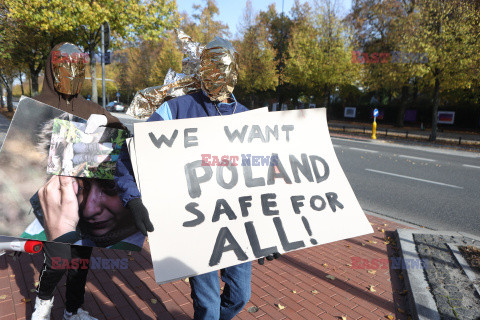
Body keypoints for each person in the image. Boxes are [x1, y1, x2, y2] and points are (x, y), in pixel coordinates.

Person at [115, 37, 255, 320]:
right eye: (212, 68)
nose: (219, 76)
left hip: (236, 223)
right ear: (202, 70)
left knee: (240, 295)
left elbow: (266, 173)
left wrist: (270, 233)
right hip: (195, 224)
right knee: (208, 307)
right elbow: (132, 154)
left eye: (225, 68)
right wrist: (134, 200)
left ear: (236, 72)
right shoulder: (176, 110)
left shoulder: (248, 119)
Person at [28, 42, 127, 320]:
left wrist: (116, 128)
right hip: (56, 199)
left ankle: (73, 310)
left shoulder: (90, 107)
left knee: (81, 263)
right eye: (64, 67)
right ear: (52, 69)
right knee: (58, 261)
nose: (72, 73)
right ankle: (44, 304)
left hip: (86, 198)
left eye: (78, 67)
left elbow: (120, 134)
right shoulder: (38, 104)